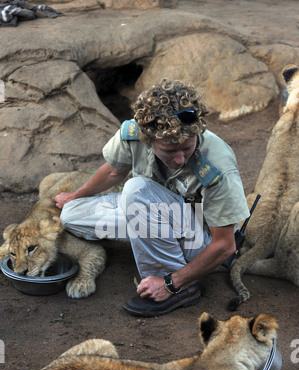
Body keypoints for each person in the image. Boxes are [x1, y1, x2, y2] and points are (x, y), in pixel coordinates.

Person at [54, 78, 250, 317]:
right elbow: (114, 171)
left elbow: (225, 245)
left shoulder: (218, 163)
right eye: (169, 150)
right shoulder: (134, 133)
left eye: (186, 148)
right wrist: (74, 196)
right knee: (71, 215)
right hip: (150, 214)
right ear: (148, 138)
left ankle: (178, 286)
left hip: (198, 238)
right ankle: (151, 241)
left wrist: (171, 282)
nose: (179, 159)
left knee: (135, 189)